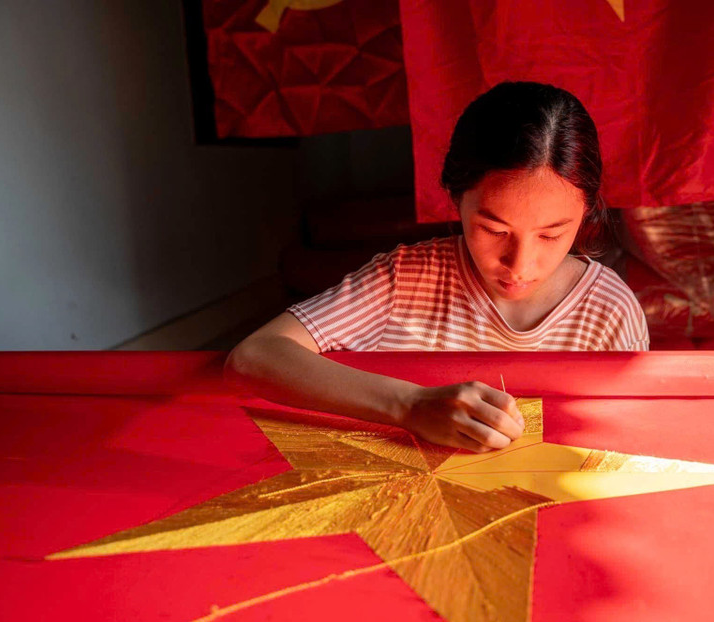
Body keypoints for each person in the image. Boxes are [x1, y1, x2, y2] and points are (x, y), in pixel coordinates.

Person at [225, 81, 649, 454]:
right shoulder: (406, 279)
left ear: (586, 213)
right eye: (493, 229)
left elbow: (636, 437)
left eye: (551, 235)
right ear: (454, 199)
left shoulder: (608, 310)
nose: (520, 265)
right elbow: (254, 356)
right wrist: (409, 405)